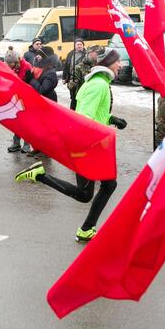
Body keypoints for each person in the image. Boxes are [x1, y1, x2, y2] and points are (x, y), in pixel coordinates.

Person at [14, 49, 127, 243]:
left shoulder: (97, 82)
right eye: (118, 62)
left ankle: (86, 228)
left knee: (99, 188)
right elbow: (83, 117)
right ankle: (40, 176)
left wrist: (111, 118)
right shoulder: (98, 85)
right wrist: (90, 145)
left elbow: (92, 112)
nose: (121, 65)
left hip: (90, 142)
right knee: (96, 190)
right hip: (88, 144)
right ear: (109, 63)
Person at [4, 48, 31, 153]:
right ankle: (16, 143)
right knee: (17, 121)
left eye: (10, 64)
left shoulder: (26, 67)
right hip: (15, 98)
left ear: (15, 62)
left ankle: (27, 145)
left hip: (26, 98)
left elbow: (30, 83)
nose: (9, 67)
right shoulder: (12, 67)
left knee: (26, 123)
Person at [68, 45, 101, 109]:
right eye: (97, 52)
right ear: (90, 53)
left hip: (97, 99)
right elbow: (70, 86)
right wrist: (73, 83)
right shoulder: (79, 67)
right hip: (83, 100)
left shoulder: (100, 67)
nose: (99, 55)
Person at [63, 37, 86, 110]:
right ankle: (73, 112)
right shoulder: (70, 54)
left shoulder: (86, 54)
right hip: (72, 79)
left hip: (82, 80)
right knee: (73, 96)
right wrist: (64, 77)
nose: (79, 46)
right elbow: (66, 65)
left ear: (83, 45)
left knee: (81, 96)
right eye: (77, 44)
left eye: (81, 44)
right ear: (75, 45)